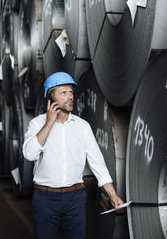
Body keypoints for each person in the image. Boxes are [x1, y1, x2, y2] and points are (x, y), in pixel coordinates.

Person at [23, 72, 123, 239]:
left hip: (75, 198)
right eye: (63, 93)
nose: (70, 97)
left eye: (71, 92)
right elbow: (29, 154)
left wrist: (113, 195)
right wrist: (49, 124)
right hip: (45, 199)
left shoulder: (82, 127)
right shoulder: (37, 124)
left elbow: (98, 163)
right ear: (50, 97)